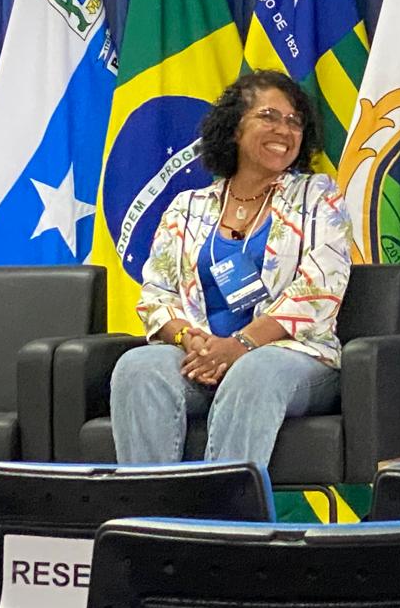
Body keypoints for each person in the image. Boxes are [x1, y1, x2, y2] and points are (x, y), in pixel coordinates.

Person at [110, 70, 352, 465]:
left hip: (292, 356)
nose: (285, 130)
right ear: (234, 128)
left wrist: (240, 346)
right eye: (269, 116)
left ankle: (227, 523)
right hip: (203, 354)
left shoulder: (319, 197)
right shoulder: (187, 207)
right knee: (138, 367)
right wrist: (192, 341)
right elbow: (156, 294)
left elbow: (318, 290)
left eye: (294, 122)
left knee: (253, 371)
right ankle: (149, 520)